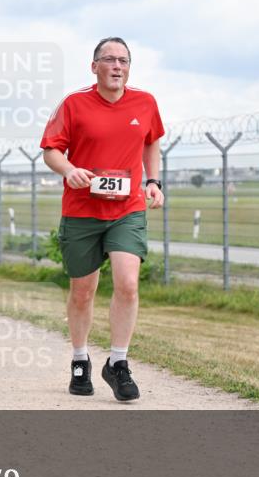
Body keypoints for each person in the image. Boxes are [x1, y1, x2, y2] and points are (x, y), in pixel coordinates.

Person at [40, 37, 165, 402]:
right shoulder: (74, 104)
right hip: (82, 211)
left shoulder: (145, 102)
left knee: (128, 283)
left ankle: (119, 363)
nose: (117, 66)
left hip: (127, 209)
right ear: (93, 66)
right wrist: (70, 170)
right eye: (109, 59)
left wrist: (153, 181)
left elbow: (151, 140)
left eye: (123, 60)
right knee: (83, 291)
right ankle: (80, 360)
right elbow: (51, 150)